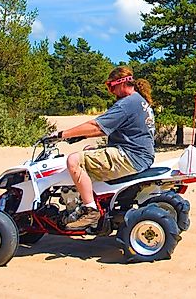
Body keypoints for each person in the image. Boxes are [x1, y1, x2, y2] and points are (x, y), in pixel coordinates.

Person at [48, 66, 156, 229]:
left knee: (74, 161)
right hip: (140, 155)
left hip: (130, 156)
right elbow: (108, 128)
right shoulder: (139, 101)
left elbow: (97, 126)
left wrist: (61, 134)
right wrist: (80, 135)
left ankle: (90, 210)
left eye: (111, 86)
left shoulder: (126, 104)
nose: (111, 91)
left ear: (121, 83)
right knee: (88, 152)